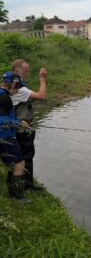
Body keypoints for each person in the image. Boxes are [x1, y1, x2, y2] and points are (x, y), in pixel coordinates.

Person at [11, 59, 47, 191]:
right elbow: (42, 96)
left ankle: (25, 183)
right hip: (21, 126)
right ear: (16, 71)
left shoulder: (11, 85)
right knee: (27, 155)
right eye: (25, 71)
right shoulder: (19, 89)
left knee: (21, 155)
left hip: (15, 125)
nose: (28, 73)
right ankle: (26, 185)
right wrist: (42, 79)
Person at [0, 71, 31, 203]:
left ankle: (11, 192)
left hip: (5, 135)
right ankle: (17, 196)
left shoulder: (3, 95)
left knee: (13, 163)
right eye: (17, 88)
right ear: (12, 83)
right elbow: (1, 119)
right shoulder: (4, 98)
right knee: (20, 163)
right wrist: (19, 123)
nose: (17, 91)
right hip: (4, 136)